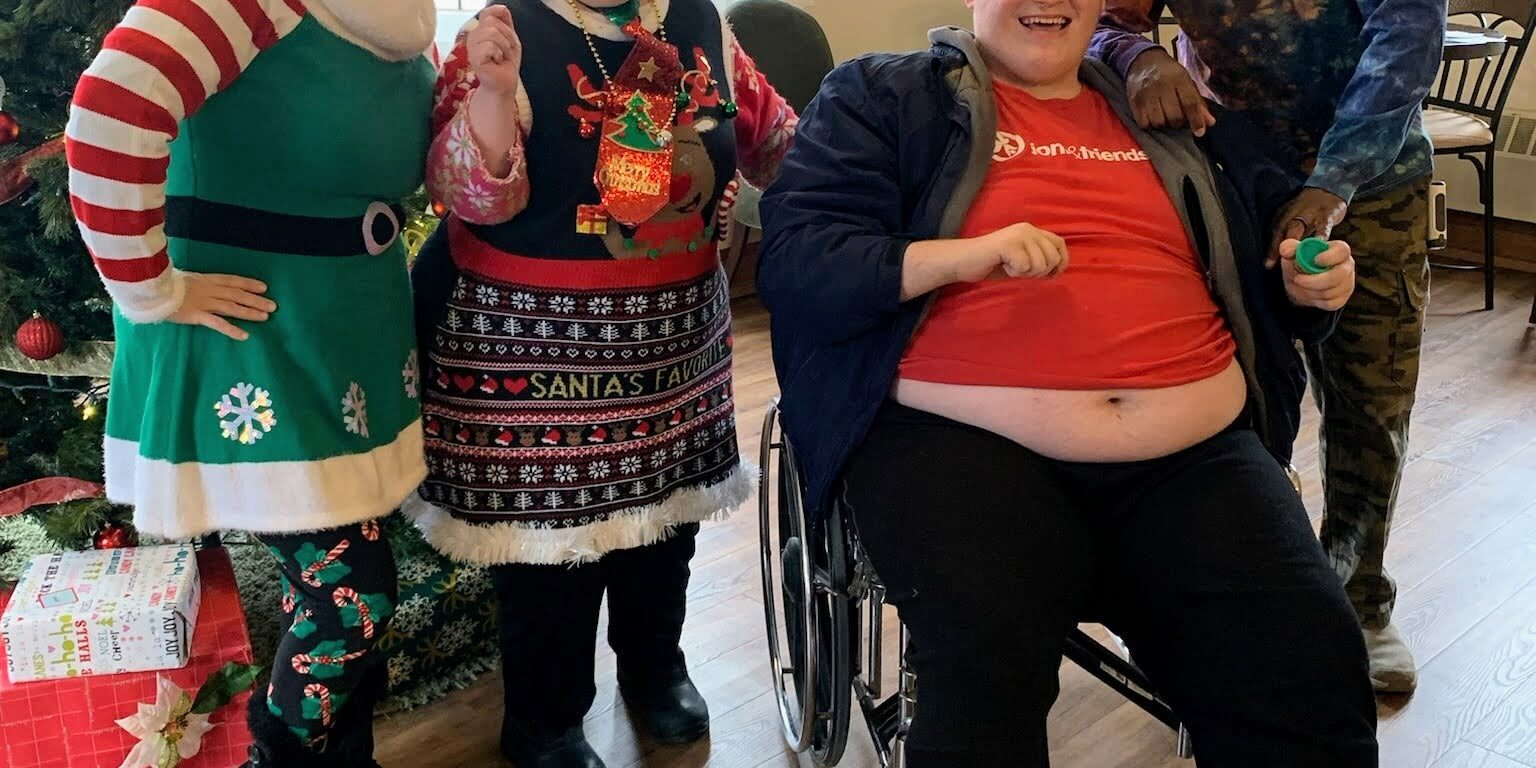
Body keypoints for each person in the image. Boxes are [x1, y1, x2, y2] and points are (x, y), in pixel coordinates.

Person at [757, 0, 1378, 765]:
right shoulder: (885, 96)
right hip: (961, 447)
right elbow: (800, 260)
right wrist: (961, 258)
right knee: (984, 665)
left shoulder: (1172, 113)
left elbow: (1271, 240)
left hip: (1192, 459)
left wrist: (1304, 286)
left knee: (1310, 663)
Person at [404, 1, 795, 765]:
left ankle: (654, 668)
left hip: (674, 350)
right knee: (550, 558)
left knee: (665, 532)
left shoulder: (703, 23)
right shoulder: (501, 26)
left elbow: (777, 139)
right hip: (530, 353)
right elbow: (467, 196)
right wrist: (492, 93)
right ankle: (544, 719)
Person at [65, 1, 437, 765]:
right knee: (351, 596)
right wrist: (152, 289)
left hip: (335, 338)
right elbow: (113, 105)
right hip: (248, 344)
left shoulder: (399, 18)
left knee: (341, 586)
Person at [1090, 0, 1445, 695]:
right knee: (1233, 396)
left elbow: (1407, 37)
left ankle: (1359, 602)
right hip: (1231, 174)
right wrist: (1142, 57)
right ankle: (1225, 594)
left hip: (1373, 184)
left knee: (1371, 403)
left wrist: (1330, 185)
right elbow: (1102, 19)